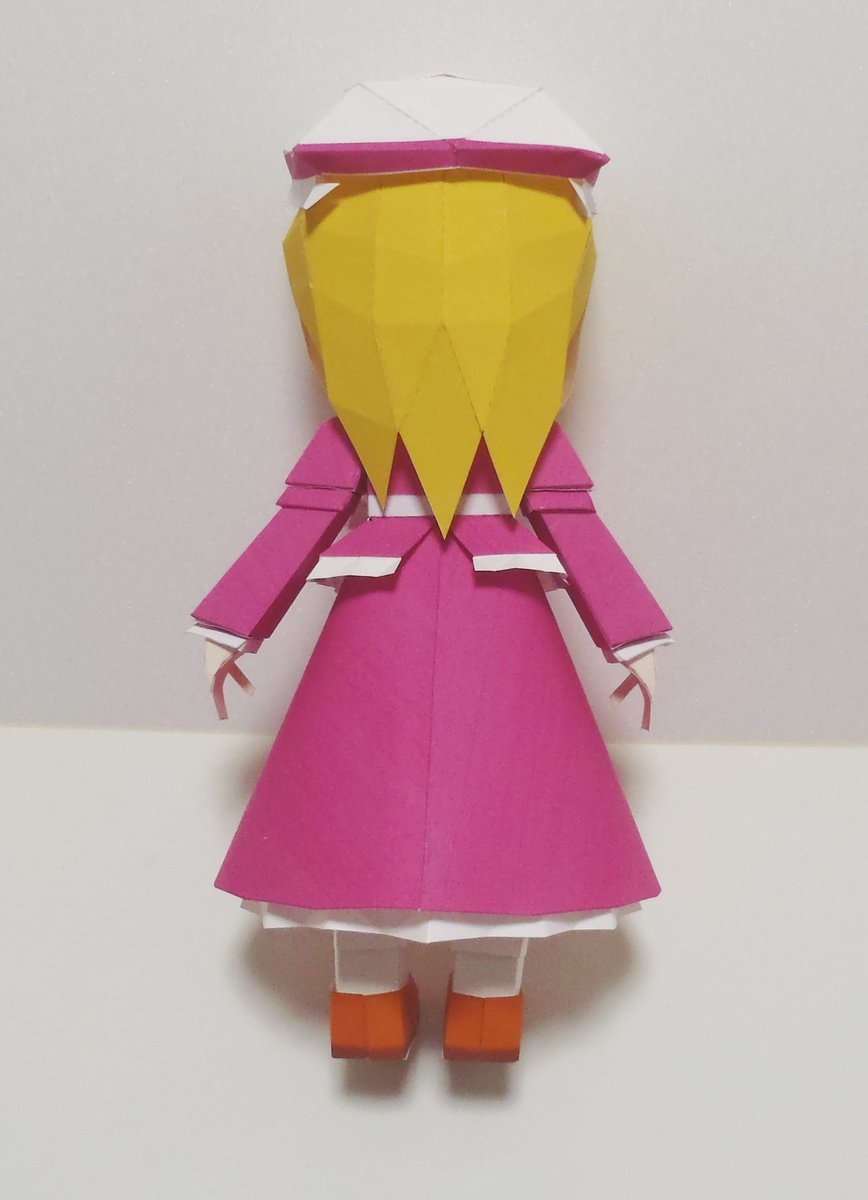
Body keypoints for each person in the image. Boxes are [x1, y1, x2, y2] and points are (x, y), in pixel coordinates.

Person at [190, 76, 672, 1062]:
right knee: (364, 816)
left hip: (489, 637)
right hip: (391, 633)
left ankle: (473, 1003)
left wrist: (632, 633)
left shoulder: (520, 444)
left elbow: (575, 525)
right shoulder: (368, 445)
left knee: (504, 817)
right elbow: (301, 520)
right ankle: (379, 997)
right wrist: (230, 622)